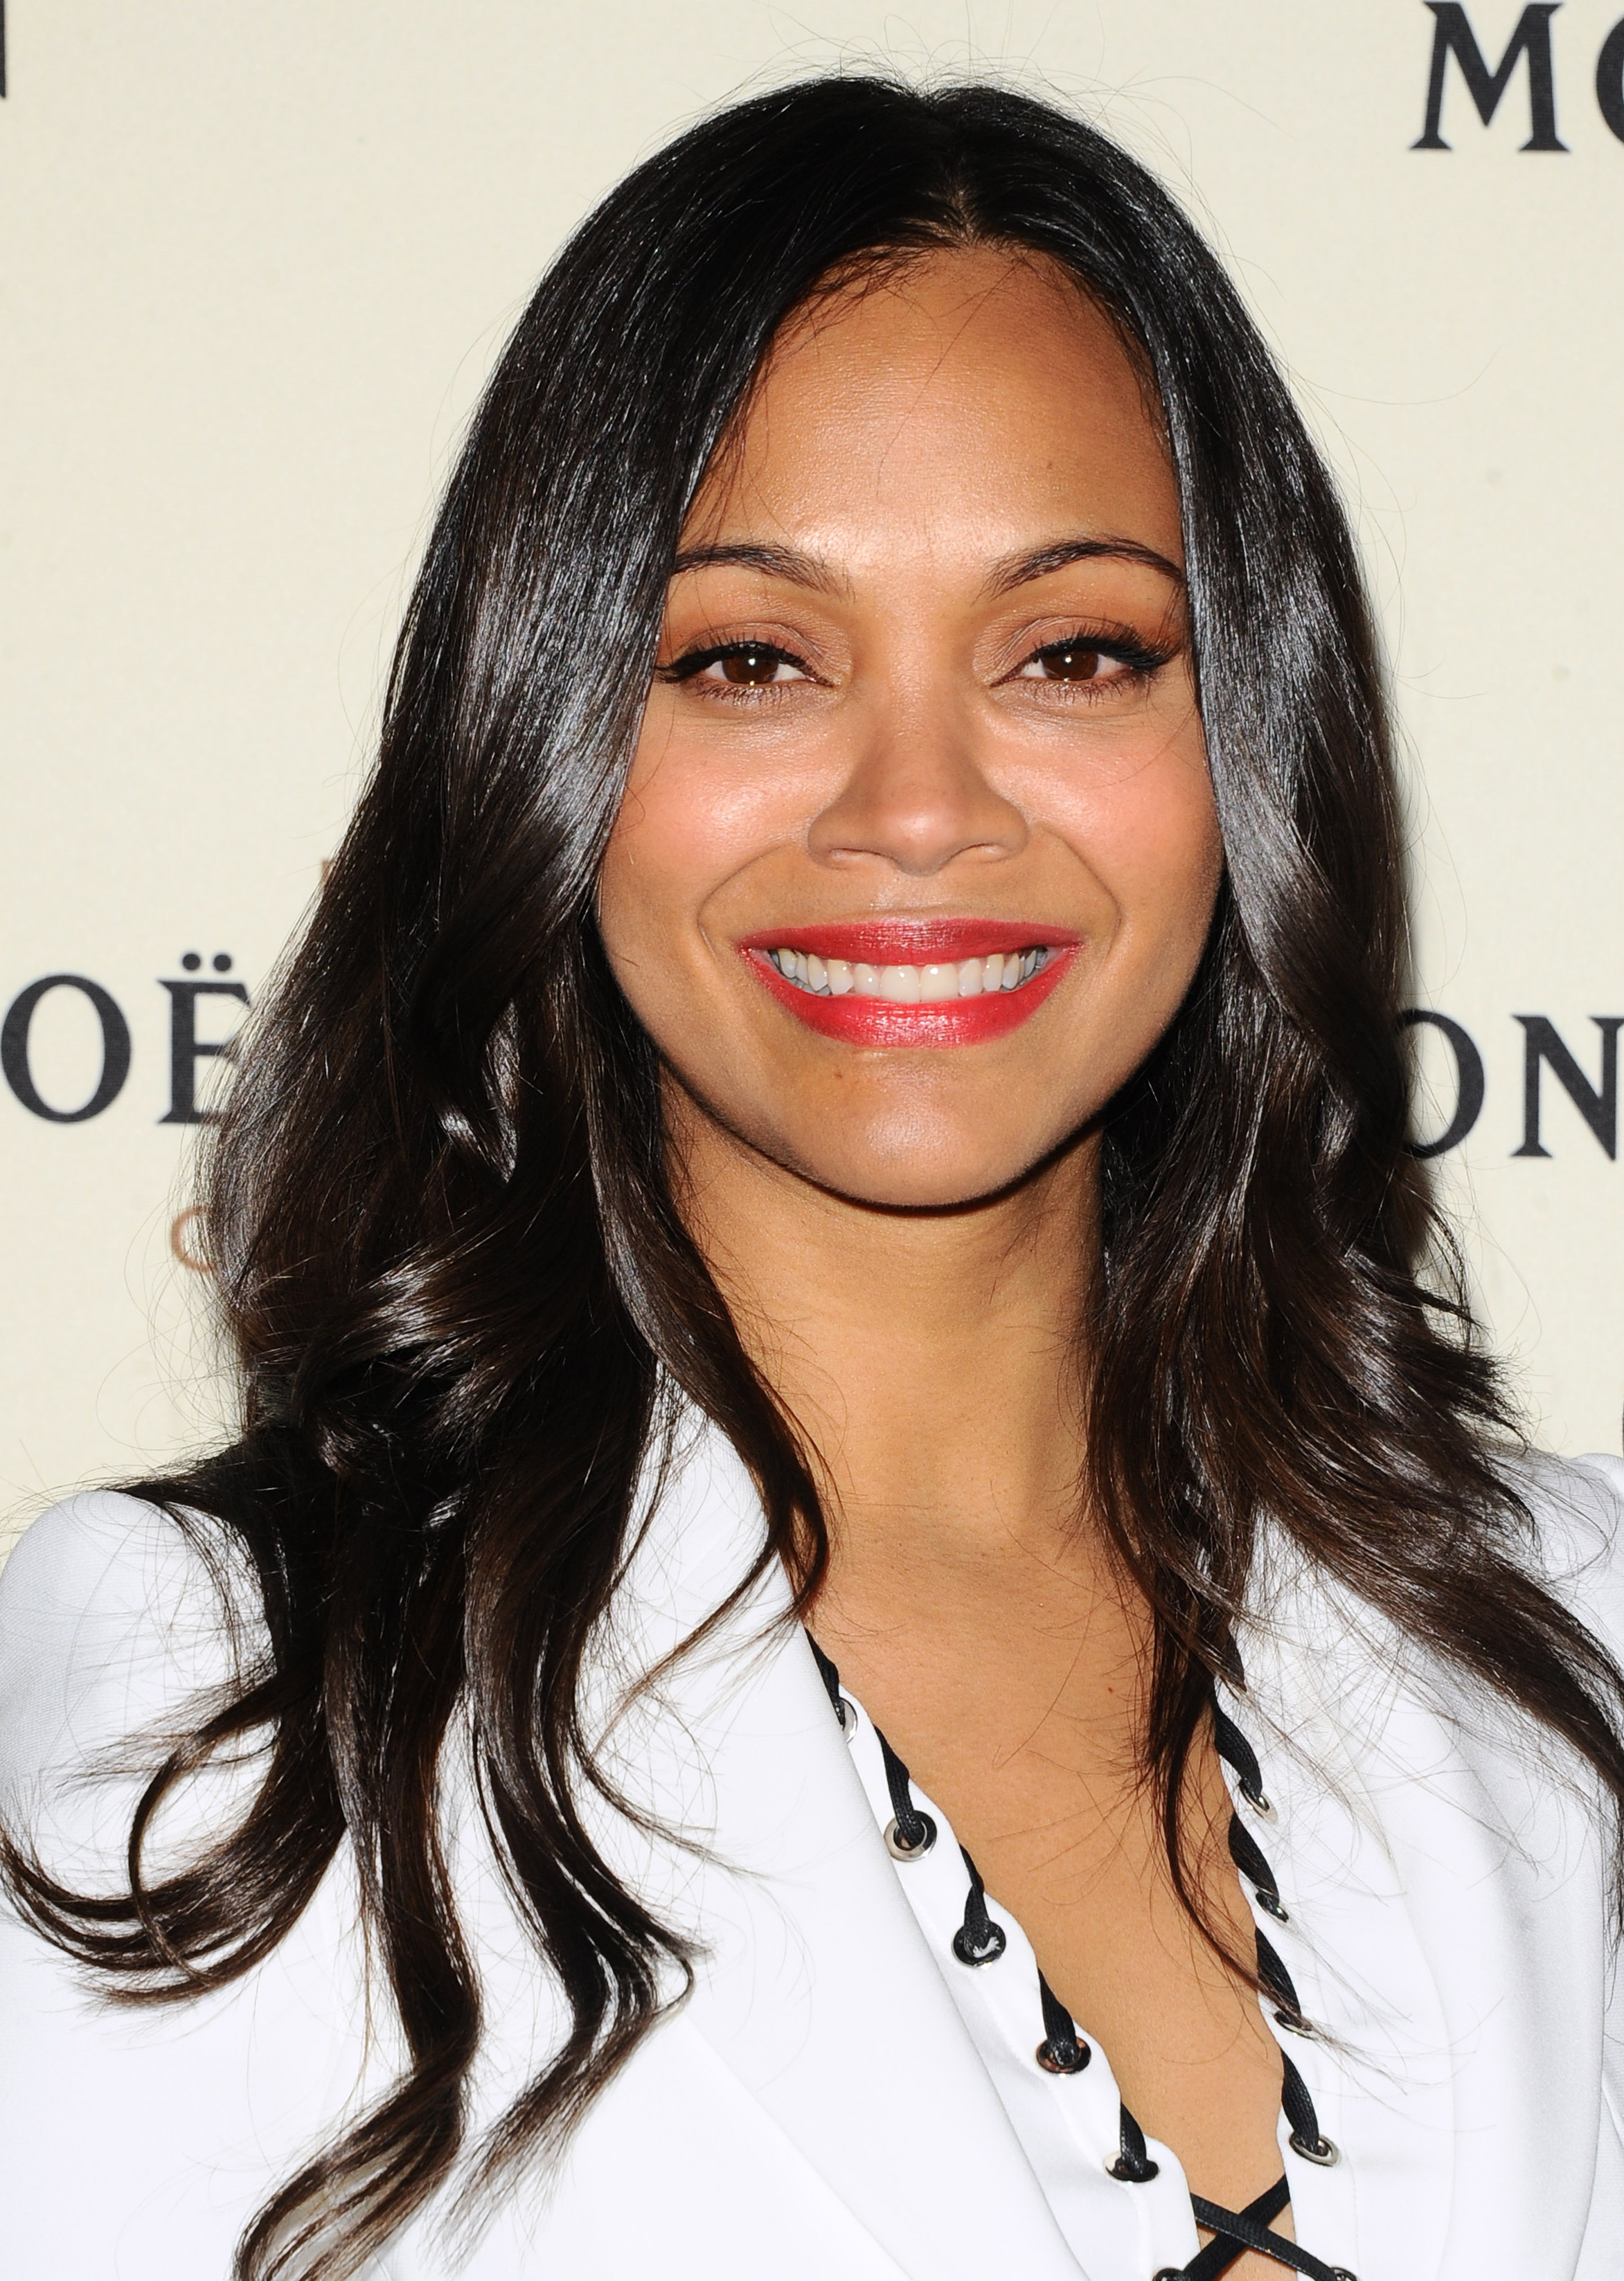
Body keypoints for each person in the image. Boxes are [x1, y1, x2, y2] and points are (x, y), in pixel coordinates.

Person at [1, 72, 1621, 2281]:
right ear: (554, 743)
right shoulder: (231, 1705)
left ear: (1246, 733)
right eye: (749, 660)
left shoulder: (1568, 1645)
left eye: (1072, 652)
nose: (918, 805)